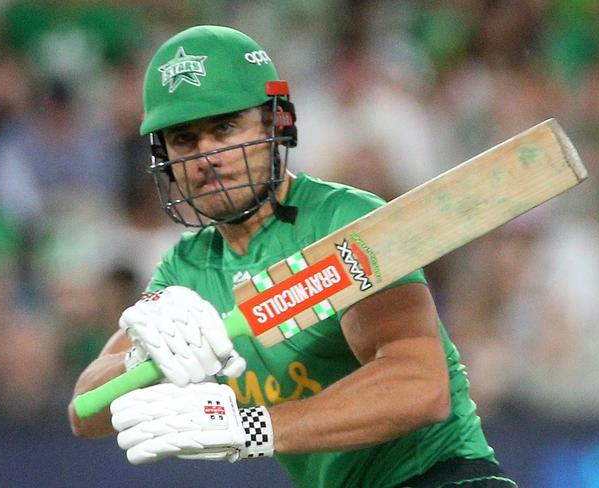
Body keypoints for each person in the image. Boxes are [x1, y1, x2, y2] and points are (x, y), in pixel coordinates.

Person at [68, 25, 518, 488]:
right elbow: (85, 410)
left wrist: (252, 428)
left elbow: (420, 387)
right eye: (184, 140)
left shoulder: (342, 222)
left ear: (273, 125)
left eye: (224, 128)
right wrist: (139, 358)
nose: (206, 156)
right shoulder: (186, 271)